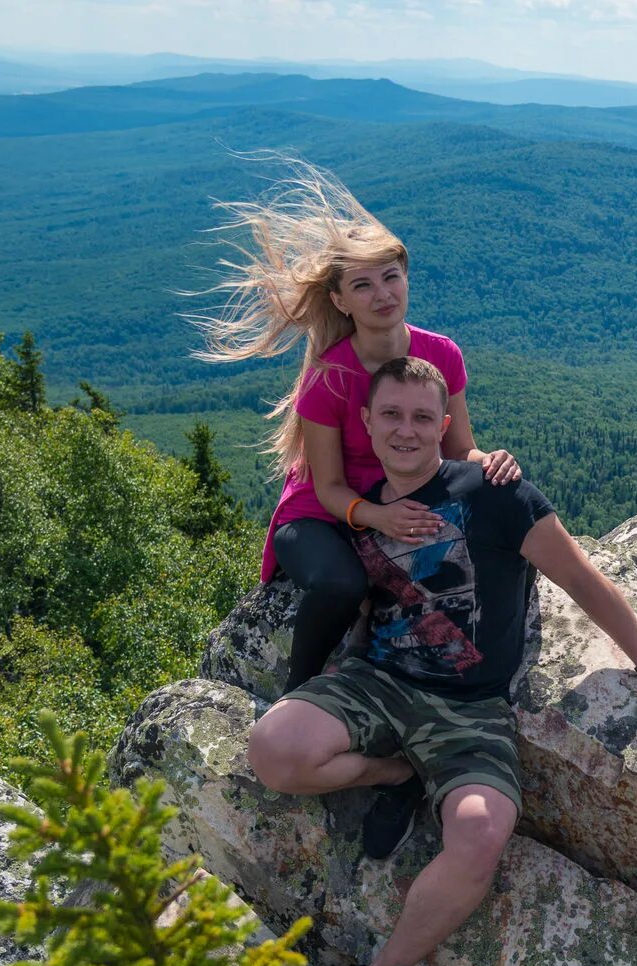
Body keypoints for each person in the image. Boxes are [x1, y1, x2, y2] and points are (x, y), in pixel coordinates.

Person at [245, 357, 637, 966]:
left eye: (421, 418)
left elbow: (578, 574)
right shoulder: (361, 504)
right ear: (369, 426)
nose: (406, 430)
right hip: (378, 680)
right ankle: (394, 771)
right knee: (270, 749)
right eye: (391, 416)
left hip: (470, 705)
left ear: (444, 426)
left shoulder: (495, 492)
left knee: (479, 831)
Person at [190, 155, 521, 695]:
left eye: (391, 277)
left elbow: (461, 448)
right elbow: (326, 485)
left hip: (406, 492)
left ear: (408, 279)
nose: (382, 294)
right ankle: (298, 695)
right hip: (323, 513)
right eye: (363, 285)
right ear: (340, 300)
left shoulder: (443, 355)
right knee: (342, 584)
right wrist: (381, 519)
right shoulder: (329, 377)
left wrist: (493, 462)